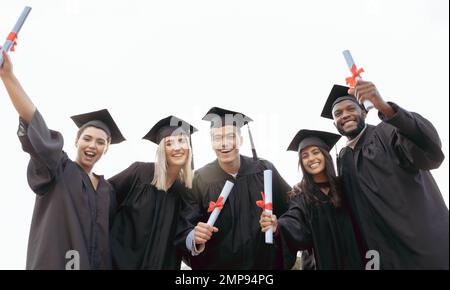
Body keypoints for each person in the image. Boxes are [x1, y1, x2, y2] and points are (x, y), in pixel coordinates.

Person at [0, 51, 125, 269]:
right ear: (76, 140)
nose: (92, 146)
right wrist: (8, 77)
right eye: (87, 138)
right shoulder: (58, 167)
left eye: (100, 142)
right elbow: (35, 122)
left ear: (106, 149)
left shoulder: (108, 190)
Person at [321, 81, 449, 269]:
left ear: (364, 112)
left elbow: (429, 152)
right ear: (334, 123)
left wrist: (385, 108)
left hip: (421, 246)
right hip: (381, 255)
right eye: (338, 114)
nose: (345, 115)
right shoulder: (343, 158)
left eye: (351, 108)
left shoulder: (387, 132)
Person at [176, 107, 291, 270]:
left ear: (241, 140)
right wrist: (194, 236)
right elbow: (185, 224)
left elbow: (292, 207)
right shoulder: (199, 180)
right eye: (217, 138)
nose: (224, 143)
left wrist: (279, 225)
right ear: (211, 143)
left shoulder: (264, 169)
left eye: (231, 136)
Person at [260, 129, 364, 270]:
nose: (311, 159)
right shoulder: (300, 195)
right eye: (305, 156)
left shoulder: (345, 187)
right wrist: (278, 226)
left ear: (325, 155)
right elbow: (295, 219)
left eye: (316, 152)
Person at [109, 115, 197, 269]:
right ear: (162, 150)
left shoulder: (186, 192)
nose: (177, 147)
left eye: (181, 141)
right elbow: (104, 197)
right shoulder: (139, 173)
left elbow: (185, 233)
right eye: (169, 143)